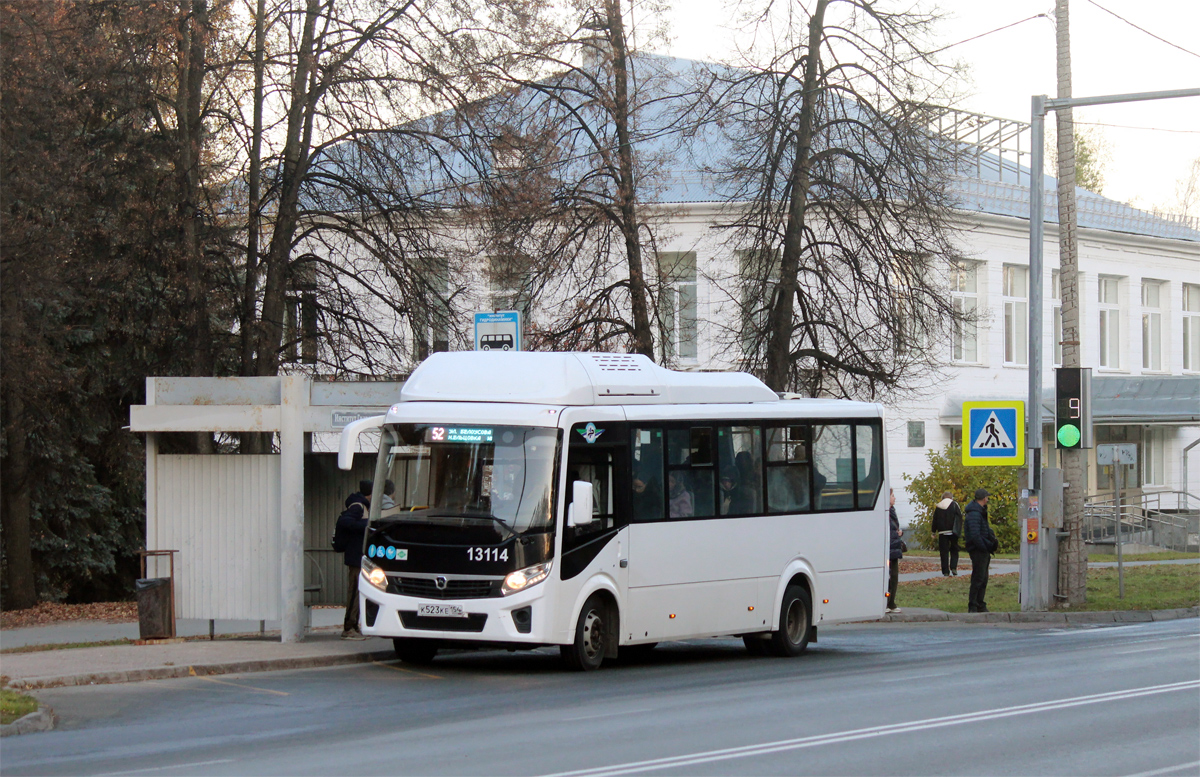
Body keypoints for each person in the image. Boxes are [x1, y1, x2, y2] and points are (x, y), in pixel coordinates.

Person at [337, 479, 372, 639]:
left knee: (358, 592)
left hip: (358, 555)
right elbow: (346, 522)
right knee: (354, 592)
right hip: (355, 556)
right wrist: (367, 525)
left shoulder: (360, 504)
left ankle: (354, 625)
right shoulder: (358, 506)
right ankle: (348, 627)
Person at [963, 487, 999, 613]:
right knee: (978, 578)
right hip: (978, 550)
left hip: (982, 549)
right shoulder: (974, 513)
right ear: (984, 498)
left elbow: (983, 530)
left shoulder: (979, 512)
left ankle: (980, 603)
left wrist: (991, 540)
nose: (987, 499)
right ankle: (973, 604)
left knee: (983, 578)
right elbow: (975, 535)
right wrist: (985, 546)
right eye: (987, 497)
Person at [931, 490, 963, 576]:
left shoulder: (939, 506)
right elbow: (959, 517)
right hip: (953, 531)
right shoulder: (955, 505)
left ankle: (945, 571)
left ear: (943, 497)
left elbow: (935, 520)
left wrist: (933, 532)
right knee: (954, 550)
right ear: (951, 497)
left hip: (942, 532)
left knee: (944, 552)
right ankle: (953, 567)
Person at [887, 489, 904, 613]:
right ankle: (888, 603)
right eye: (892, 496)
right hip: (889, 548)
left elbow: (894, 528)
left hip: (894, 547)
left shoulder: (892, 511)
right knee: (889, 577)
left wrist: (899, 533)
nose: (895, 498)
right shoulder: (885, 513)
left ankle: (891, 602)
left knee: (894, 577)